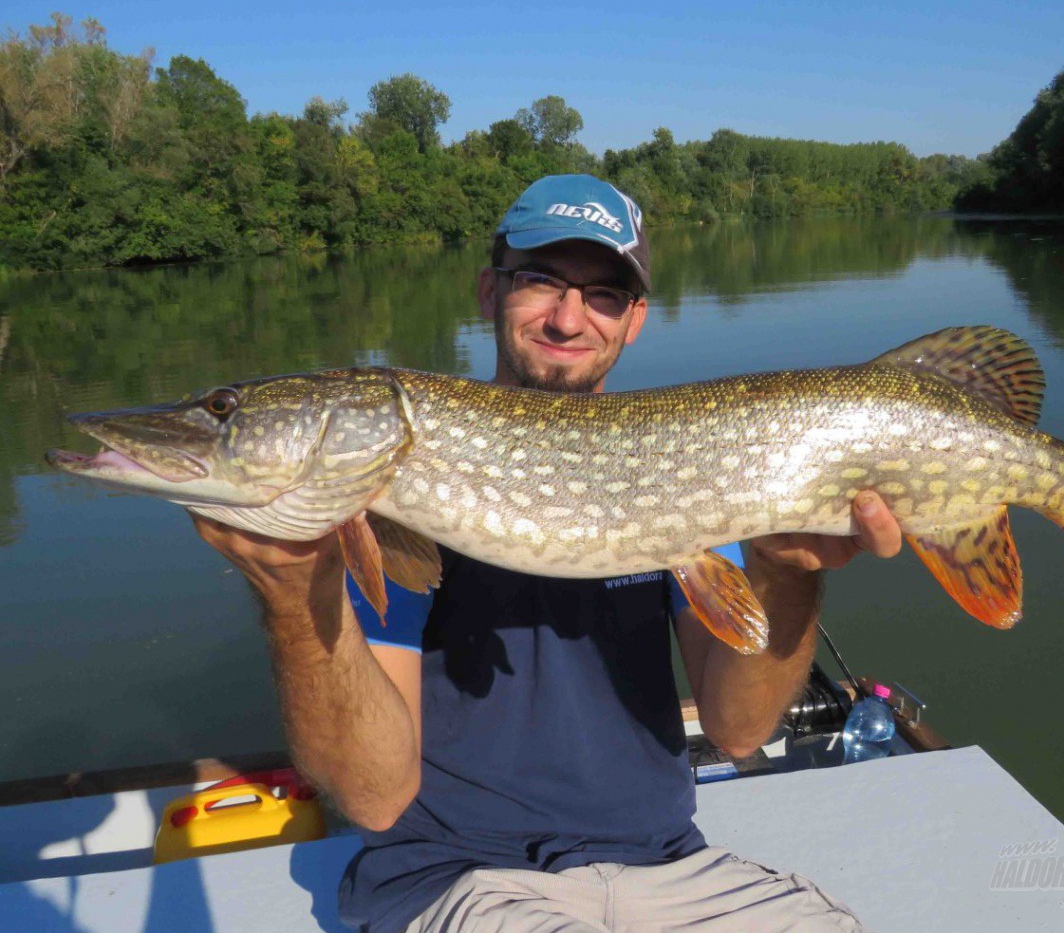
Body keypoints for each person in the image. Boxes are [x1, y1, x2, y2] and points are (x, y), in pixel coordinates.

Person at [194, 175, 902, 933]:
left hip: (671, 866)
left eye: (602, 295)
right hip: (460, 876)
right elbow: (373, 798)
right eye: (540, 281)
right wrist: (291, 593)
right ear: (487, 291)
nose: (569, 318)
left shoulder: (691, 469)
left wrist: (786, 575)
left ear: (634, 321)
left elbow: (737, 732)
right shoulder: (388, 494)